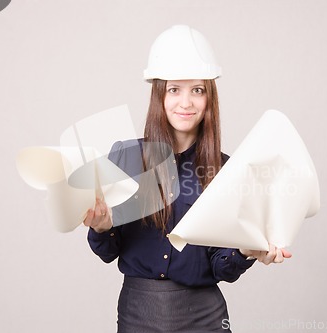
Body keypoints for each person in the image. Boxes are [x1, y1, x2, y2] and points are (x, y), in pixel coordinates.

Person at [83, 25, 292, 333]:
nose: (186, 103)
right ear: (159, 94)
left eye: (197, 90)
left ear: (209, 98)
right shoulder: (127, 158)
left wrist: (246, 251)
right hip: (139, 313)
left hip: (204, 317)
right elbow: (108, 252)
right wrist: (102, 226)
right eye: (174, 90)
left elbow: (222, 266)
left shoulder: (227, 172)